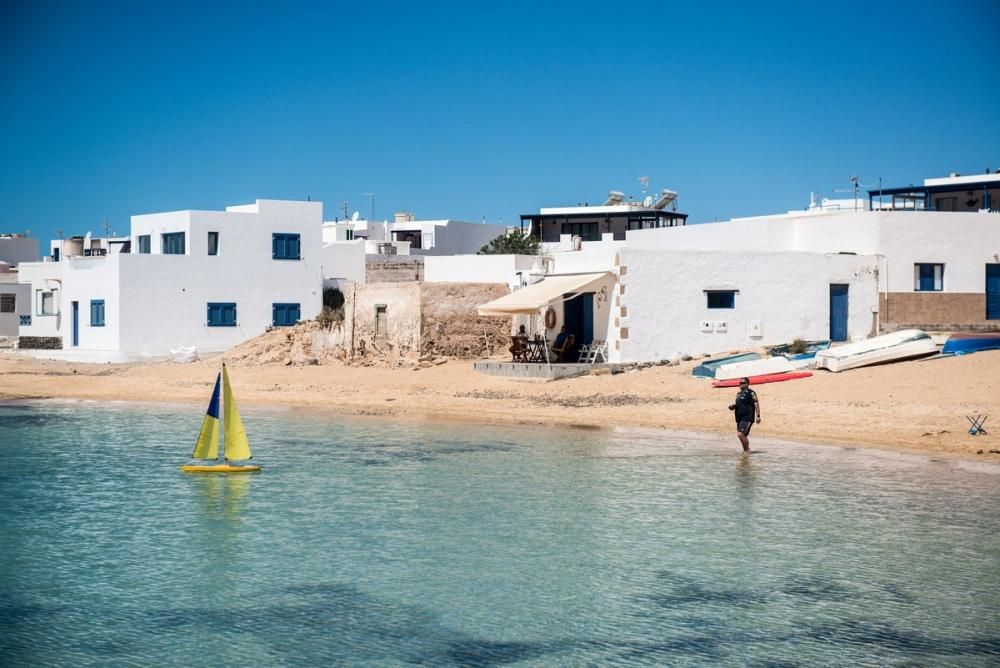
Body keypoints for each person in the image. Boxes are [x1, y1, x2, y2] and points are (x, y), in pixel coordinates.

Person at [728, 377, 760, 452]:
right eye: (740, 383)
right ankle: (746, 452)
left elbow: (756, 403)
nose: (740, 384)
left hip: (747, 417)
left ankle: (747, 450)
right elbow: (739, 404)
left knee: (740, 434)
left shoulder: (751, 392)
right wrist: (733, 406)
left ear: (747, 384)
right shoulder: (739, 393)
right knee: (743, 435)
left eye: (743, 383)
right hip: (739, 418)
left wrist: (758, 415)